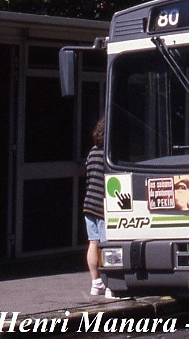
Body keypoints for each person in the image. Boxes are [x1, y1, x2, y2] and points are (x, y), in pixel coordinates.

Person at [83, 117, 108, 296]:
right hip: (102, 205)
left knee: (93, 243)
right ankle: (109, 283)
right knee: (106, 246)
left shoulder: (92, 152)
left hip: (88, 203)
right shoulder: (109, 155)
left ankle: (95, 282)